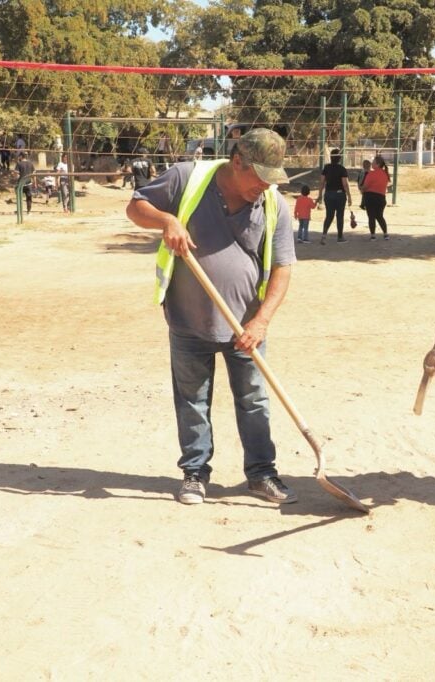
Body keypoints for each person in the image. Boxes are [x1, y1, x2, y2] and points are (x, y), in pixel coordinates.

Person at [124, 128, 298, 507]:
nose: (266, 188)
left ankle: (262, 474)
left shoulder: (274, 206)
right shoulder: (188, 178)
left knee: (254, 400)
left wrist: (261, 321)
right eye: (260, 178)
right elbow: (135, 207)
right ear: (238, 162)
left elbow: (283, 268)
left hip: (246, 327)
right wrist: (166, 220)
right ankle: (195, 473)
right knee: (192, 400)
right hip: (188, 321)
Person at [316, 149, 352, 245]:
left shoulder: (326, 168)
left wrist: (320, 195)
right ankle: (340, 237)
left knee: (329, 215)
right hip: (340, 195)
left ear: (331, 157)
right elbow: (345, 184)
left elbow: (322, 182)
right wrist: (349, 196)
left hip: (329, 194)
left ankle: (324, 235)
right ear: (340, 158)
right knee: (340, 215)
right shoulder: (342, 169)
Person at [360, 154, 390, 240]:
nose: (371, 163)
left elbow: (365, 187)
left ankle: (373, 235)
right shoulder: (385, 174)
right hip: (381, 197)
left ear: (377, 164)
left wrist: (362, 189)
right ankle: (385, 234)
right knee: (380, 216)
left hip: (370, 197)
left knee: (371, 216)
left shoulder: (371, 174)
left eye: (373, 162)